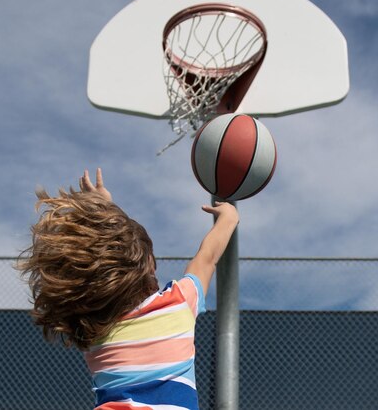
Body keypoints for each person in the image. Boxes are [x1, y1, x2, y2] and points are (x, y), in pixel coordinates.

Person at [18, 168, 239, 410]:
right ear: (151, 265)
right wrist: (229, 218)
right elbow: (206, 258)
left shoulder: (93, 329)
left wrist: (104, 209)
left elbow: (107, 256)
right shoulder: (178, 304)